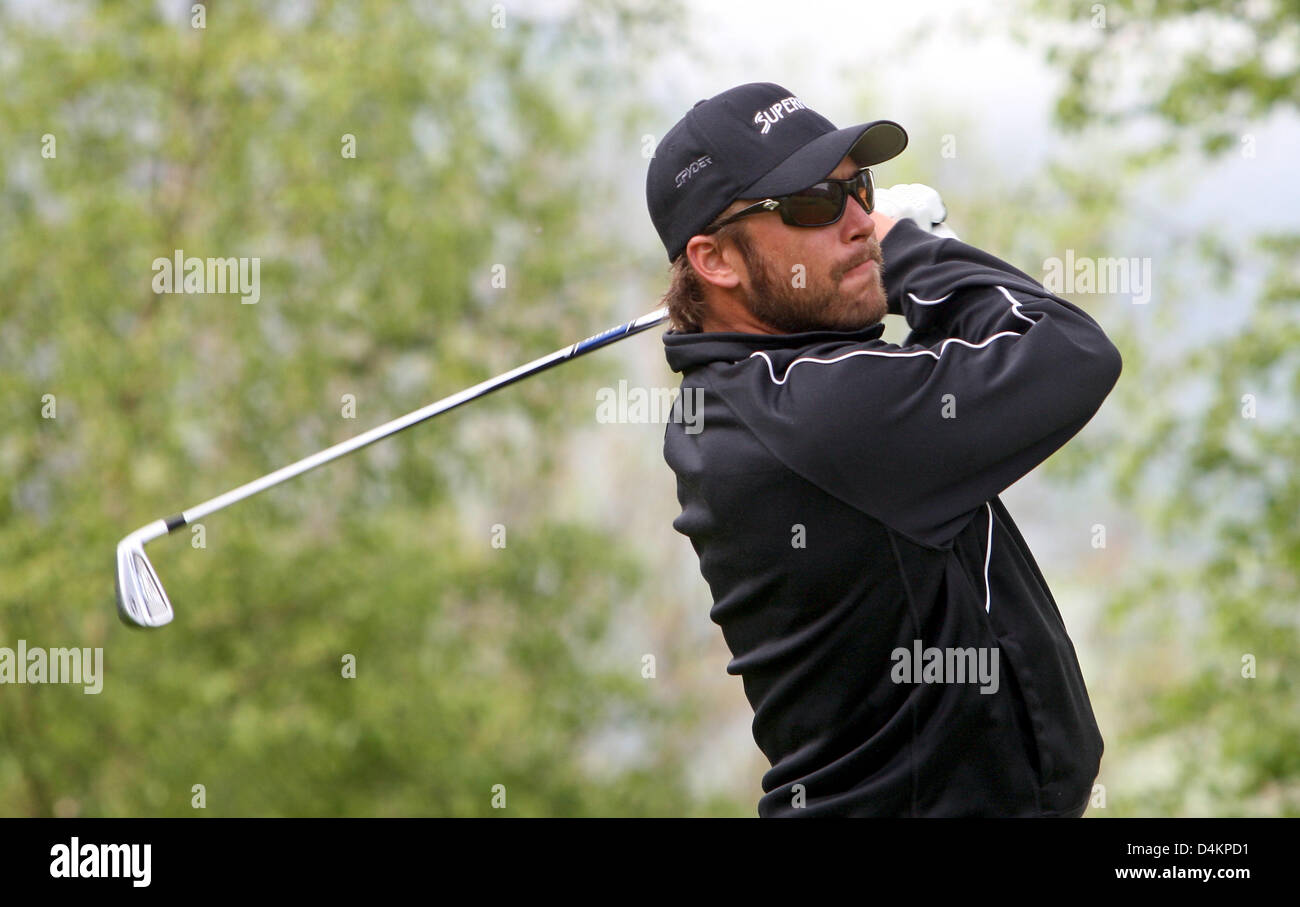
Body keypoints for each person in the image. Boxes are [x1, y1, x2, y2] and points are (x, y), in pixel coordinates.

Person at [645, 82, 1122, 817]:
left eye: (858, 188)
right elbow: (1069, 350)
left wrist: (880, 261)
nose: (860, 220)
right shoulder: (816, 414)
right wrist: (912, 252)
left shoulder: (746, 398)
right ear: (715, 261)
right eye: (812, 204)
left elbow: (919, 388)